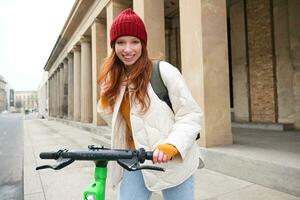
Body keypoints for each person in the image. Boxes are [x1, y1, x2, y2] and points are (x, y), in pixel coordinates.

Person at [97, 8, 202, 200]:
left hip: (174, 162)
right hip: (135, 158)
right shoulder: (116, 79)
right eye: (120, 42)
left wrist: (172, 145)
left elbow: (190, 115)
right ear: (113, 46)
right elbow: (119, 123)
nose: (127, 49)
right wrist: (106, 97)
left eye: (134, 42)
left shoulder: (163, 71)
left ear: (143, 44)